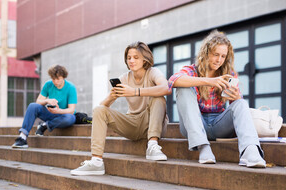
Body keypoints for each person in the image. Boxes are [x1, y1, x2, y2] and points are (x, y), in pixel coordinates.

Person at [71, 41, 171, 176]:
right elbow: (101, 108)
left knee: (159, 97)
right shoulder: (124, 78)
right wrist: (111, 96)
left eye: (136, 57)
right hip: (133, 124)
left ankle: (153, 146)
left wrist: (135, 91)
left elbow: (166, 88)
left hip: (153, 123)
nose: (131, 61)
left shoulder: (153, 72)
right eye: (129, 57)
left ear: (145, 59)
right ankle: (96, 162)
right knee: (99, 109)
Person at [168, 30, 266, 168]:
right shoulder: (192, 70)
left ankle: (250, 151)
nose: (219, 60)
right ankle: (203, 147)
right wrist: (210, 81)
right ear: (206, 52)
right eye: (215, 55)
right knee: (183, 88)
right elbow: (173, 80)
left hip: (219, 125)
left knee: (241, 103)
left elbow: (237, 108)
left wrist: (236, 97)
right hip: (194, 124)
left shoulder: (228, 74)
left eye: (222, 56)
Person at [12, 65, 77, 148]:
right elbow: (38, 101)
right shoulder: (48, 84)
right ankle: (22, 137)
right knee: (33, 106)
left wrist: (58, 110)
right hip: (50, 113)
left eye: (58, 79)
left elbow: (71, 110)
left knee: (70, 118)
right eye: (53, 79)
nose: (55, 81)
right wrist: (47, 101)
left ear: (63, 77)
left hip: (63, 115)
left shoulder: (71, 87)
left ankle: (44, 126)